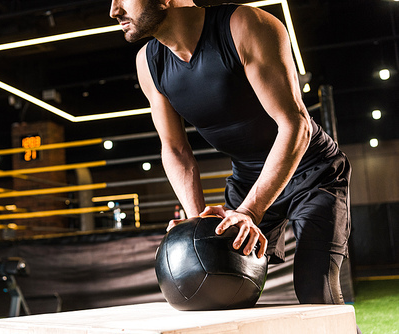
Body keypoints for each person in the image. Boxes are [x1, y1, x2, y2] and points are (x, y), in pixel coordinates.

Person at [110, 0, 357, 327]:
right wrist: (195, 219)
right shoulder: (148, 62)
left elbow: (295, 125)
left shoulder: (244, 25)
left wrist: (250, 212)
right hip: (246, 180)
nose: (114, 10)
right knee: (215, 282)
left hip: (312, 171)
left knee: (316, 288)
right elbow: (174, 148)